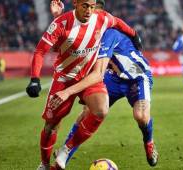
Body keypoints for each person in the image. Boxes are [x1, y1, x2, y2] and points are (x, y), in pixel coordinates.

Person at [25, 0, 140, 169]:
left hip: (88, 78)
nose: (89, 10)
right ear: (75, 4)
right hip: (64, 79)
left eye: (92, 6)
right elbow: (40, 51)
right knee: (51, 125)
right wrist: (35, 79)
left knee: (101, 110)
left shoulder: (101, 18)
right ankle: (44, 164)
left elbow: (118, 22)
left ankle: (65, 151)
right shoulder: (61, 23)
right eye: (85, 6)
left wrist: (134, 35)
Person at [49, 0, 158, 167]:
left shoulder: (108, 34)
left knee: (141, 117)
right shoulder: (89, 33)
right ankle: (65, 151)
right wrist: (58, 17)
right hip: (113, 76)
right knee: (88, 111)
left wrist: (69, 91)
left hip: (137, 77)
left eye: (93, 11)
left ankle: (149, 143)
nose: (89, 16)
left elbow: (97, 72)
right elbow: (68, 44)